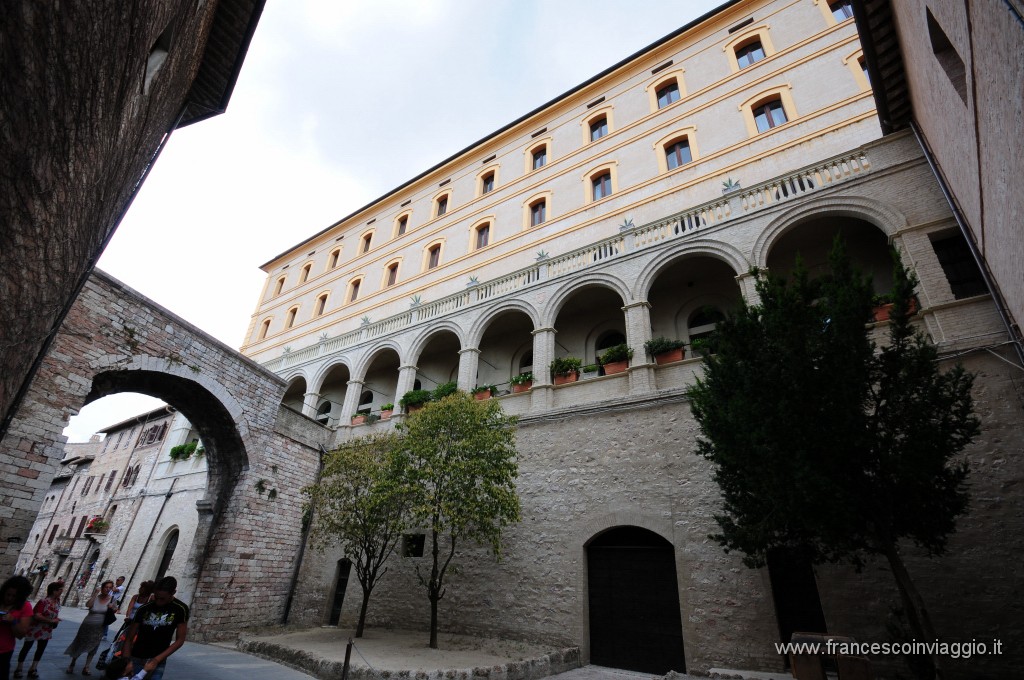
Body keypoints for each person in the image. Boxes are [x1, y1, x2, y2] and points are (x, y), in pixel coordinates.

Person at [121, 577, 187, 680]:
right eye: (156, 597)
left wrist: (157, 659)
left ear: (173, 593)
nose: (158, 602)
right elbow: (129, 638)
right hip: (136, 657)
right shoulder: (144, 608)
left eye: (162, 599)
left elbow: (180, 640)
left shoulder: (180, 609)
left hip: (158, 661)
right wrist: (126, 661)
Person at [13, 581, 63, 679]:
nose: (61, 592)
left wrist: (55, 621)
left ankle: (33, 668)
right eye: (60, 590)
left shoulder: (57, 601)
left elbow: (55, 613)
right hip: (35, 628)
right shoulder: (43, 601)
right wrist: (51, 620)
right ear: (54, 591)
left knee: (41, 649)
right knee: (26, 647)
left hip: (47, 629)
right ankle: (19, 668)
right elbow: (37, 615)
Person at [64, 580, 114, 675]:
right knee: (80, 644)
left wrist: (112, 608)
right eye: (106, 587)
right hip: (87, 625)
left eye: (110, 587)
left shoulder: (111, 599)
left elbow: (114, 610)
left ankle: (86, 667)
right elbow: (88, 605)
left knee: (94, 647)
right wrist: (95, 594)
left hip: (99, 627)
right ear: (102, 588)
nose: (108, 589)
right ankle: (72, 664)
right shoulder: (96, 598)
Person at [1, 576, 33, 680]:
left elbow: (21, 634)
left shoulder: (25, 606)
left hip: (3, 651)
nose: (9, 598)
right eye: (8, 594)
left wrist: (13, 621)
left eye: (14, 596)